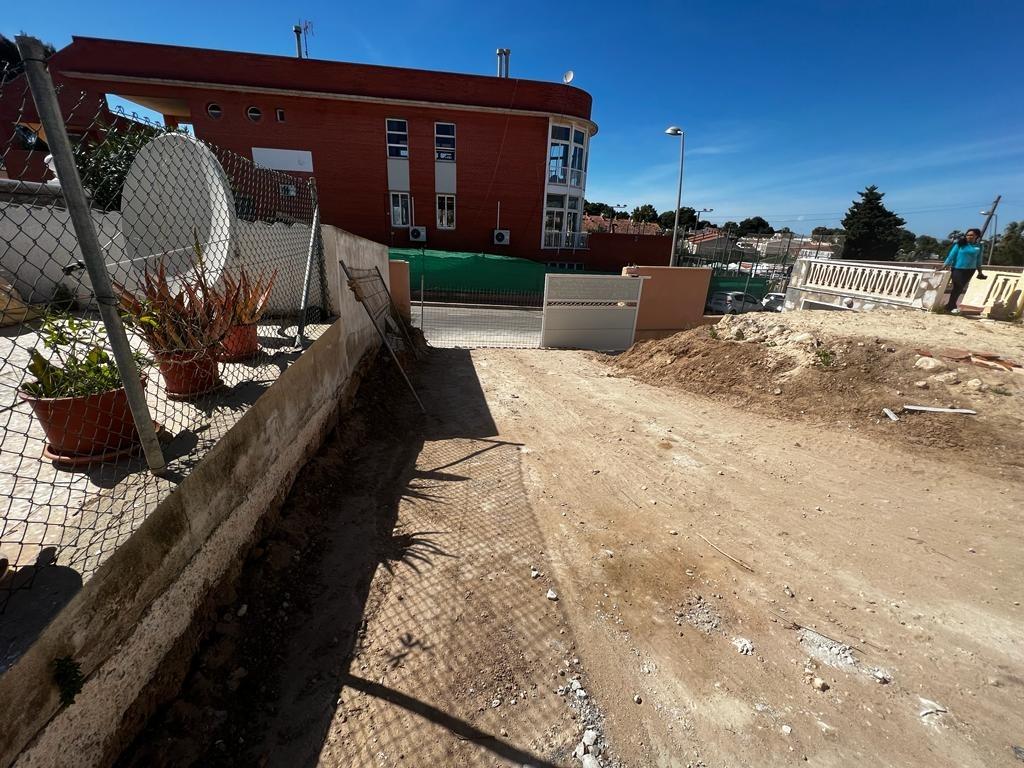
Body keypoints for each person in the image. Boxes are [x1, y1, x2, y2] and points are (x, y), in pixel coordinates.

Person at [944, 228, 986, 313]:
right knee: (957, 286)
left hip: (970, 270)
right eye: (967, 235)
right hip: (957, 268)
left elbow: (979, 260)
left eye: (971, 235)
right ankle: (951, 305)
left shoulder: (979, 246)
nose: (969, 236)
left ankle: (950, 305)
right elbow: (951, 255)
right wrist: (944, 265)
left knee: (960, 288)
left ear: (976, 236)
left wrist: (980, 271)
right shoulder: (960, 244)